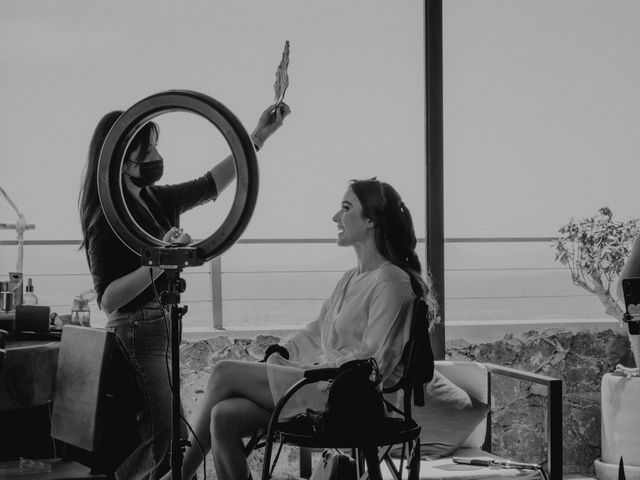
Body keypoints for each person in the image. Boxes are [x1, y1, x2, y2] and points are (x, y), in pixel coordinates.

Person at [160, 178, 439, 480]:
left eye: (346, 208)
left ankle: (178, 476)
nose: (336, 217)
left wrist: (307, 372)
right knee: (223, 416)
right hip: (322, 390)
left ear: (371, 220)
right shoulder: (350, 278)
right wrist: (285, 351)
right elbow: (316, 331)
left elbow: (372, 365)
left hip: (349, 401)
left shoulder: (391, 281)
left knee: (224, 372)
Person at [78, 101, 290, 480]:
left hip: (160, 328)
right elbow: (109, 299)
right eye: (149, 150)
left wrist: (257, 136)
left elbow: (212, 184)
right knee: (166, 443)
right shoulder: (106, 218)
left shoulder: (156, 199)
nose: (158, 157)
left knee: (172, 439)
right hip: (136, 331)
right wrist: (160, 259)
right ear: (124, 159)